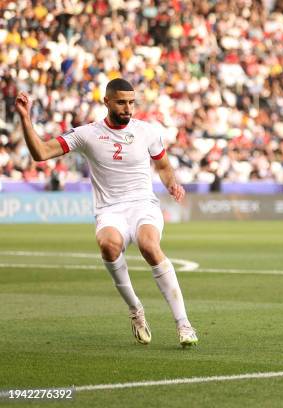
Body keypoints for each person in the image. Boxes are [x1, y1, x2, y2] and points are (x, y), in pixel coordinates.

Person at [15, 78, 198, 347]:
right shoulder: (87, 134)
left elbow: (164, 166)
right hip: (110, 209)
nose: (128, 108)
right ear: (107, 102)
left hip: (142, 205)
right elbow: (41, 153)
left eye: (132, 103)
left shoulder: (147, 131)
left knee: (149, 244)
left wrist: (172, 184)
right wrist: (25, 118)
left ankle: (184, 324)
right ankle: (136, 310)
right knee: (108, 245)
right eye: (122, 102)